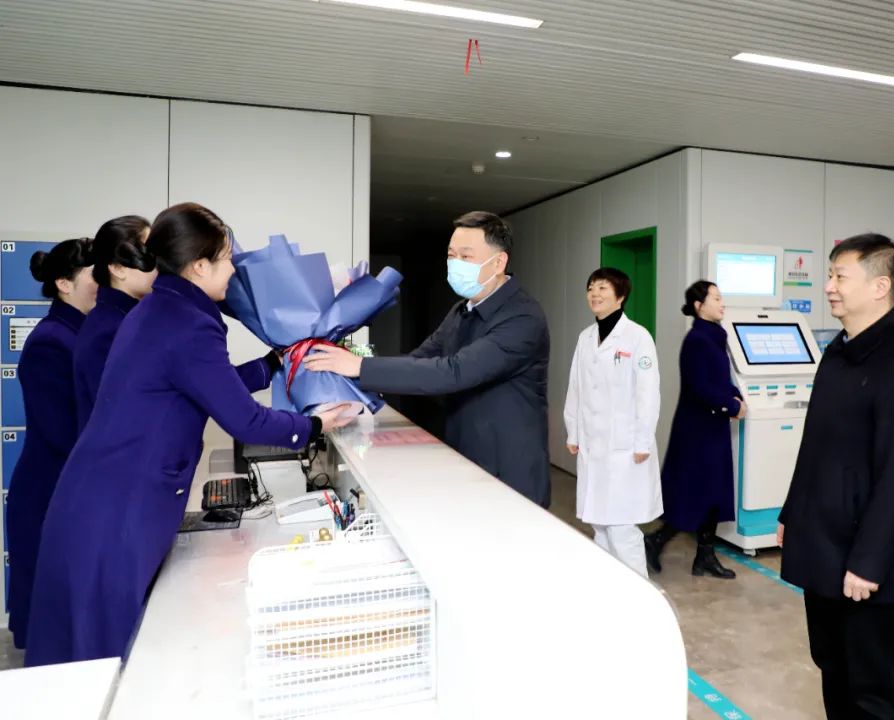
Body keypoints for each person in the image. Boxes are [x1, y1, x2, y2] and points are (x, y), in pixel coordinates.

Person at [24, 203, 351, 666]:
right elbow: (246, 421)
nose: (233, 268)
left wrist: (276, 362)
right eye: (226, 258)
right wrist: (315, 425)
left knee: (95, 649)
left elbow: (203, 386)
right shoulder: (187, 323)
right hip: (118, 508)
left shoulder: (162, 308)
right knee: (107, 658)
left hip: (103, 496)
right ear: (199, 266)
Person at [777, 233, 894, 719]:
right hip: (821, 539)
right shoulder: (839, 352)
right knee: (832, 664)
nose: (829, 286)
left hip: (864, 555)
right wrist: (791, 513)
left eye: (840, 276)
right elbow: (815, 446)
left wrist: (869, 562)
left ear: (879, 286)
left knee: (874, 688)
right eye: (829, 275)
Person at [304, 211, 552, 506]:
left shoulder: (522, 318)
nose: (455, 264)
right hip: (466, 461)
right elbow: (420, 359)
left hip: (510, 472)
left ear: (498, 263)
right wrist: (349, 384)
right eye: (451, 255)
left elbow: (453, 372)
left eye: (466, 256)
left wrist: (360, 367)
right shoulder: (462, 310)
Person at [5, 238, 96, 650]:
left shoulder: (85, 332)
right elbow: (63, 432)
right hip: (49, 494)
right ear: (63, 282)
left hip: (72, 488)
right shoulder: (50, 341)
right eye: (95, 274)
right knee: (52, 630)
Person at [643, 280, 744, 580]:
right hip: (697, 431)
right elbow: (700, 387)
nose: (722, 304)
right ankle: (655, 540)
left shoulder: (714, 336)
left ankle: (704, 557)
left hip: (713, 428)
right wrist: (731, 405)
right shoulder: (697, 340)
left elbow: (720, 379)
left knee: (712, 493)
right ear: (699, 306)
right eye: (716, 299)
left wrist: (735, 396)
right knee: (692, 493)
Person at [564, 268, 661, 577]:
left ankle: (640, 593)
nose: (594, 294)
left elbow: (648, 393)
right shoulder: (585, 337)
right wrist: (573, 432)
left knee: (621, 527)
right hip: (592, 445)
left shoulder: (638, 337)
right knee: (599, 523)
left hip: (626, 448)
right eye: (591, 288)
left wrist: (642, 441)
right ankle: (610, 586)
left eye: (603, 288)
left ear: (620, 297)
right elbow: (576, 387)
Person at [73, 215, 157, 431]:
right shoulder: (107, 331)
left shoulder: (133, 320)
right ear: (118, 268)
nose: (159, 266)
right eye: (148, 255)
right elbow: (120, 417)